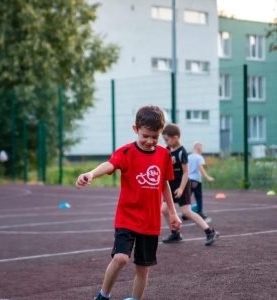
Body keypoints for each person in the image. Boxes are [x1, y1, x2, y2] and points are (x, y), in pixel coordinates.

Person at [76, 105, 182, 300]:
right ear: (135, 129)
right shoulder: (126, 152)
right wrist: (90, 173)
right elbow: (110, 164)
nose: (150, 141)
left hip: (150, 222)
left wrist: (173, 213)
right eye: (145, 136)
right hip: (127, 217)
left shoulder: (163, 155)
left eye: (155, 137)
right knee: (121, 258)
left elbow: (164, 184)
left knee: (143, 268)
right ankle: (103, 295)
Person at [160, 123, 219, 246]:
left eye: (167, 139)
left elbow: (186, 173)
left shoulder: (182, 152)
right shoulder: (167, 150)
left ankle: (210, 232)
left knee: (186, 211)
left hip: (182, 185)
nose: (166, 142)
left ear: (175, 138)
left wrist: (181, 189)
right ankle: (175, 233)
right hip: (170, 186)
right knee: (164, 209)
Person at [188, 141, 214, 219]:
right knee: (198, 197)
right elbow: (201, 168)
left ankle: (185, 212)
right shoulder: (199, 157)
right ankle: (200, 212)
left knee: (187, 197)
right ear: (198, 148)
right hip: (196, 180)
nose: (202, 151)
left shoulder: (188, 157)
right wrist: (207, 177)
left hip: (188, 180)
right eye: (202, 148)